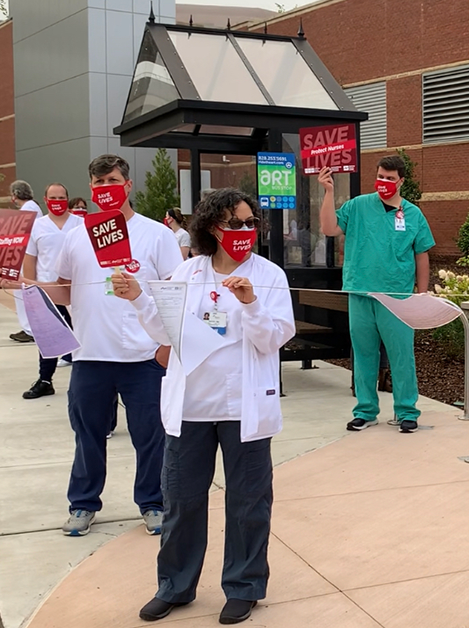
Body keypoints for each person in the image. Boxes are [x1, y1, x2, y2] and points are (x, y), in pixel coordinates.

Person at [114, 188, 295, 626]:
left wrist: (250, 303)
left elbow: (275, 338)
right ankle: (174, 586)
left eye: (251, 222)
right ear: (213, 227)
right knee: (181, 500)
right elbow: (165, 330)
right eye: (235, 223)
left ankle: (244, 585)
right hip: (191, 407)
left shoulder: (269, 275)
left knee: (248, 503)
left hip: (243, 409)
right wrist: (138, 296)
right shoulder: (188, 272)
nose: (244, 231)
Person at [52, 154, 183, 537]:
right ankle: (83, 503)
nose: (103, 189)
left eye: (110, 181)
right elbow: (63, 291)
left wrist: (168, 346)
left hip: (143, 355)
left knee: (151, 436)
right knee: (87, 435)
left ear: (127, 185)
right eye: (97, 183)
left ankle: (153, 502)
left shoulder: (156, 235)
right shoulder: (75, 235)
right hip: (90, 353)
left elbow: (175, 291)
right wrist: (29, 287)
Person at [318, 156, 435, 433]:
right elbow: (329, 228)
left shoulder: (413, 215)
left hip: (397, 298)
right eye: (381, 176)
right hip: (360, 292)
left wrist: (423, 293)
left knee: (401, 355)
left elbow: (422, 254)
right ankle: (366, 410)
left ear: (401, 181)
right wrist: (329, 192)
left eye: (390, 178)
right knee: (363, 354)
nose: (384, 182)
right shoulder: (358, 206)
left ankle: (407, 411)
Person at [21, 183, 85, 399]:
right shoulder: (37, 227)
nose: (57, 202)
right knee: (48, 338)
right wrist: (31, 288)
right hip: (48, 291)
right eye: (53, 198)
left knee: (83, 336)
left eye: (61, 197)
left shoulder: (81, 224)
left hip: (78, 292)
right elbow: (30, 260)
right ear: (45, 199)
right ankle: (45, 379)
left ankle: (86, 380)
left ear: (67, 199)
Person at [10, 179, 40, 343]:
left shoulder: (27, 210)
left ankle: (29, 329)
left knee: (22, 292)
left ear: (15, 195)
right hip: (27, 255)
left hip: (24, 256)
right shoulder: (33, 207)